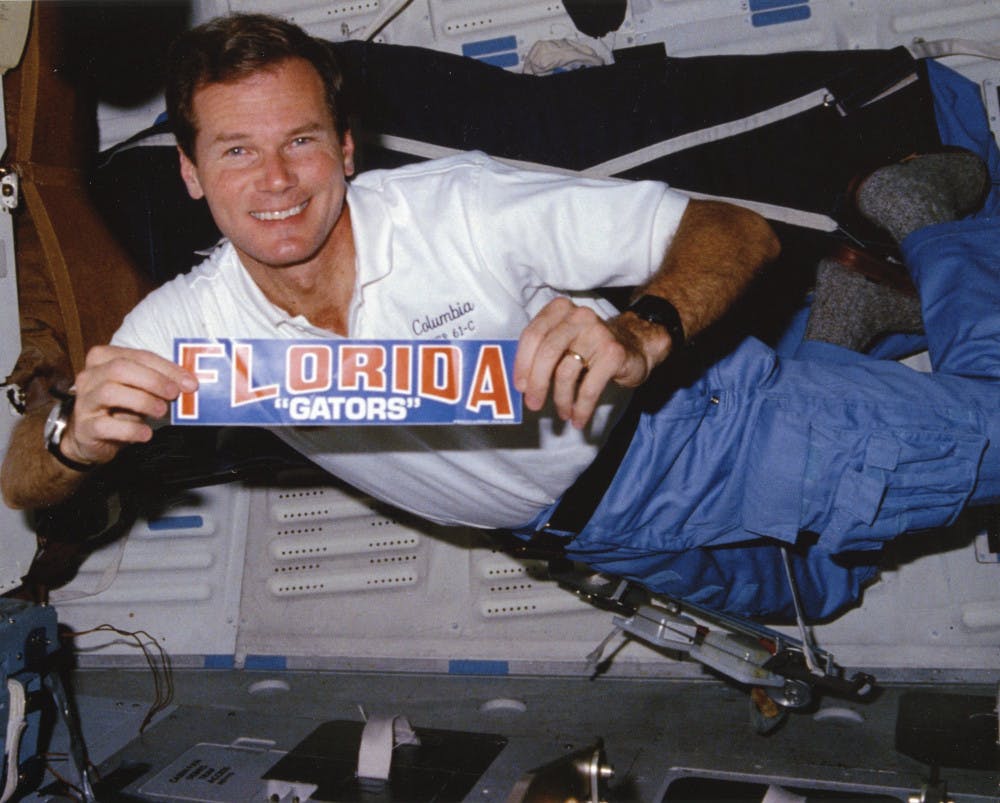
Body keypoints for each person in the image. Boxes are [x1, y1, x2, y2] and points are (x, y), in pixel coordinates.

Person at [1, 14, 997, 621]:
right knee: (813, 592)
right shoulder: (187, 324)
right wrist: (71, 435)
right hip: (580, 535)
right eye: (233, 152)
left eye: (300, 141)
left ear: (346, 149)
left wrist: (644, 327)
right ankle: (848, 316)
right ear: (189, 172)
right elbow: (20, 479)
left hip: (692, 442)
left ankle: (923, 222)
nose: (273, 181)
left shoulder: (459, 209)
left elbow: (731, 230)